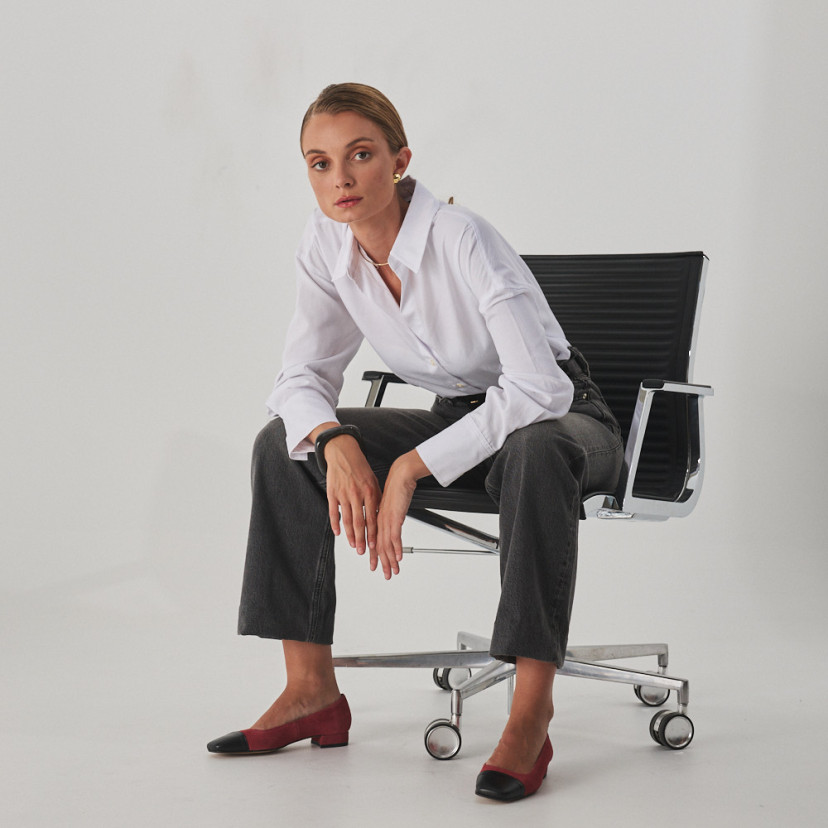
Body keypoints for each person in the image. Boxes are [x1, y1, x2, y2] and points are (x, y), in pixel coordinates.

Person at [207, 83, 624, 802]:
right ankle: (310, 691)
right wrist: (334, 438)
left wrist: (410, 466)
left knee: (534, 449)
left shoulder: (463, 238)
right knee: (286, 442)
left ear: (399, 161)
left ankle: (530, 713)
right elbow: (301, 375)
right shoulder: (325, 243)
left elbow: (538, 392)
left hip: (567, 420)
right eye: (318, 162)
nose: (338, 178)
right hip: (461, 417)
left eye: (359, 155)